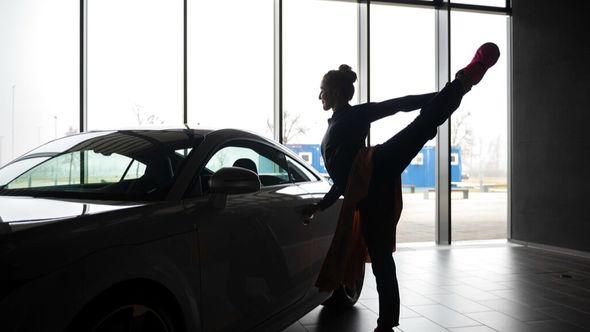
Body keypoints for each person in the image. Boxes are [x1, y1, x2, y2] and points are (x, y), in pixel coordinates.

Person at [303, 42, 500, 332]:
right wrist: (320, 205)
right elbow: (342, 180)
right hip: (368, 197)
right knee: (381, 258)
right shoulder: (332, 126)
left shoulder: (354, 116)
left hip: (376, 165)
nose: (319, 95)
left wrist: (447, 94)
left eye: (322, 89)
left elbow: (401, 104)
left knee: (423, 125)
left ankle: (464, 81)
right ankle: (386, 324)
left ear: (334, 92)